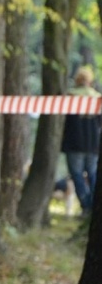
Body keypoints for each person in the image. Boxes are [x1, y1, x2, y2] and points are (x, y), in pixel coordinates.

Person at [61, 65, 101, 216]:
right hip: (93, 143)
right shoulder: (97, 97)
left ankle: (86, 204)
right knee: (92, 174)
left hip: (74, 142)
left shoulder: (70, 97)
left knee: (77, 174)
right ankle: (92, 203)